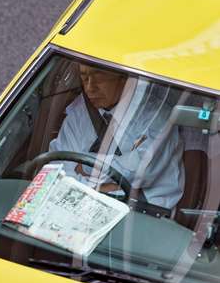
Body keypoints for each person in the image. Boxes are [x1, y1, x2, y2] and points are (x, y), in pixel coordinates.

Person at [49, 64, 184, 210]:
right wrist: (104, 188)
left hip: (144, 214)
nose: (90, 87)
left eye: (98, 76)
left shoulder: (156, 116)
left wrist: (86, 169)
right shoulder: (79, 113)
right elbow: (61, 169)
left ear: (124, 77)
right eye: (84, 77)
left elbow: (140, 169)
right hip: (83, 207)